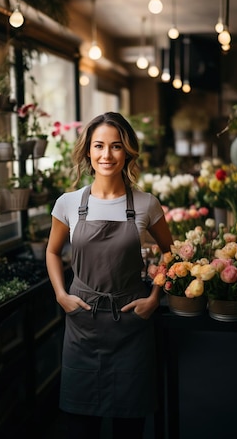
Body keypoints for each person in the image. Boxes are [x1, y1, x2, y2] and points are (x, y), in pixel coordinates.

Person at [45, 112, 173, 439]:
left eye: (116, 147)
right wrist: (61, 294)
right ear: (88, 151)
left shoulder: (146, 204)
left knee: (129, 429)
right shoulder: (69, 203)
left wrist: (154, 298)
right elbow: (52, 252)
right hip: (82, 324)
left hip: (131, 325)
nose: (106, 155)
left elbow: (170, 252)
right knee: (79, 426)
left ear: (127, 152)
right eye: (99, 146)